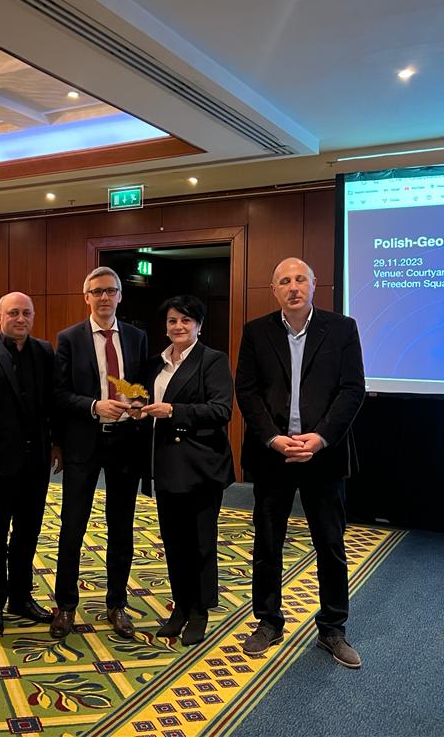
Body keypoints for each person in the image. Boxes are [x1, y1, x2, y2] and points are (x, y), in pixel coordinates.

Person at [235, 257, 366, 668]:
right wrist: (273, 438)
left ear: (314, 284)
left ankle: (332, 628)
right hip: (272, 455)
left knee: (330, 543)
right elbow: (247, 391)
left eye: (300, 280)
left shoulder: (342, 328)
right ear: (274, 290)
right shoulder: (256, 331)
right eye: (284, 281)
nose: (293, 287)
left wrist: (321, 437)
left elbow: (352, 389)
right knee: (267, 542)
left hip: (322, 455)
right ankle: (268, 621)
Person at [50, 266, 148, 639]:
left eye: (110, 290)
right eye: (97, 291)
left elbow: (141, 385)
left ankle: (117, 604)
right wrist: (94, 406)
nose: (104, 297)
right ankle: (66, 606)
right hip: (84, 444)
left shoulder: (137, 337)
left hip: (125, 443)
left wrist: (137, 402)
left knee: (121, 527)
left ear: (120, 295)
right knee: (73, 526)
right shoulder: (69, 338)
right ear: (86, 297)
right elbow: (59, 394)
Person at [0, 292, 62, 636]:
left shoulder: (44, 351)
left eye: (26, 313)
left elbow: (53, 402)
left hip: (36, 462)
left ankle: (20, 597)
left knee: (28, 532)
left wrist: (57, 443)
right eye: (13, 313)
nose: (20, 319)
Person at [136, 295, 235, 646]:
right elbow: (144, 401)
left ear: (199, 326)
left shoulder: (213, 360)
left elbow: (221, 410)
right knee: (174, 541)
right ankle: (179, 606)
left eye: (186, 320)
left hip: (200, 465)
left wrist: (173, 411)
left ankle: (199, 610)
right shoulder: (155, 364)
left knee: (201, 543)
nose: (178, 326)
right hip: (164, 464)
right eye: (172, 321)